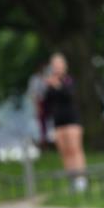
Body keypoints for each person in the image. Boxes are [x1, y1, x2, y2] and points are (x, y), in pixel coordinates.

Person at [42, 52, 87, 192]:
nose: (56, 67)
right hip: (58, 121)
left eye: (59, 64)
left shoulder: (68, 80)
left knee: (75, 149)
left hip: (72, 119)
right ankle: (72, 180)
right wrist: (48, 86)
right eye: (54, 65)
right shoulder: (50, 84)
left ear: (64, 66)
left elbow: (69, 95)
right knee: (65, 152)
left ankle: (81, 179)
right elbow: (47, 103)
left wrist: (56, 85)